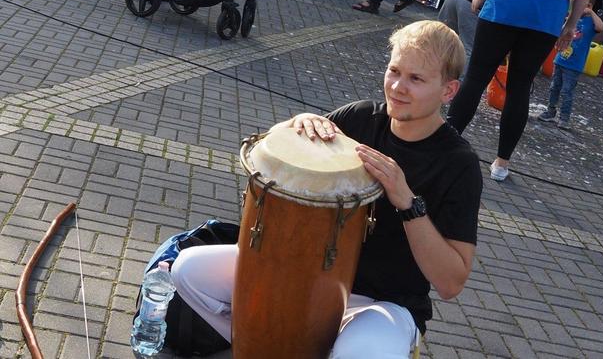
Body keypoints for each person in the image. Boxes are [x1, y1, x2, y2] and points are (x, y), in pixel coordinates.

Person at [171, 20, 483, 357]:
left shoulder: (459, 164)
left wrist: (407, 202)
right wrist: (296, 122)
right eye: (394, 70)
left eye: (416, 79)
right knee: (188, 270)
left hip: (383, 304)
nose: (397, 87)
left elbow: (451, 283)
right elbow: (282, 149)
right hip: (307, 276)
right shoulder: (360, 117)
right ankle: (277, 345)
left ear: (448, 91)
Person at [445, 0, 593, 181]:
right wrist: (570, 25)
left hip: (505, 3)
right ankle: (502, 163)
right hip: (546, 16)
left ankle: (443, 146)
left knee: (475, 78)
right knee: (520, 87)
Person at [539, 0, 603, 130]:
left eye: (576, 4)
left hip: (574, 65)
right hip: (560, 59)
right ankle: (550, 111)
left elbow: (601, 27)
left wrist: (591, 13)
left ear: (588, 6)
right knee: (554, 88)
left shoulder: (590, 22)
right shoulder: (570, 18)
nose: (573, 7)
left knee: (567, 91)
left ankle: (564, 117)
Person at [436, 0, 482, 76]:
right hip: (472, 1)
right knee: (467, 48)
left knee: (441, 41)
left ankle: (431, 76)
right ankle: (459, 85)